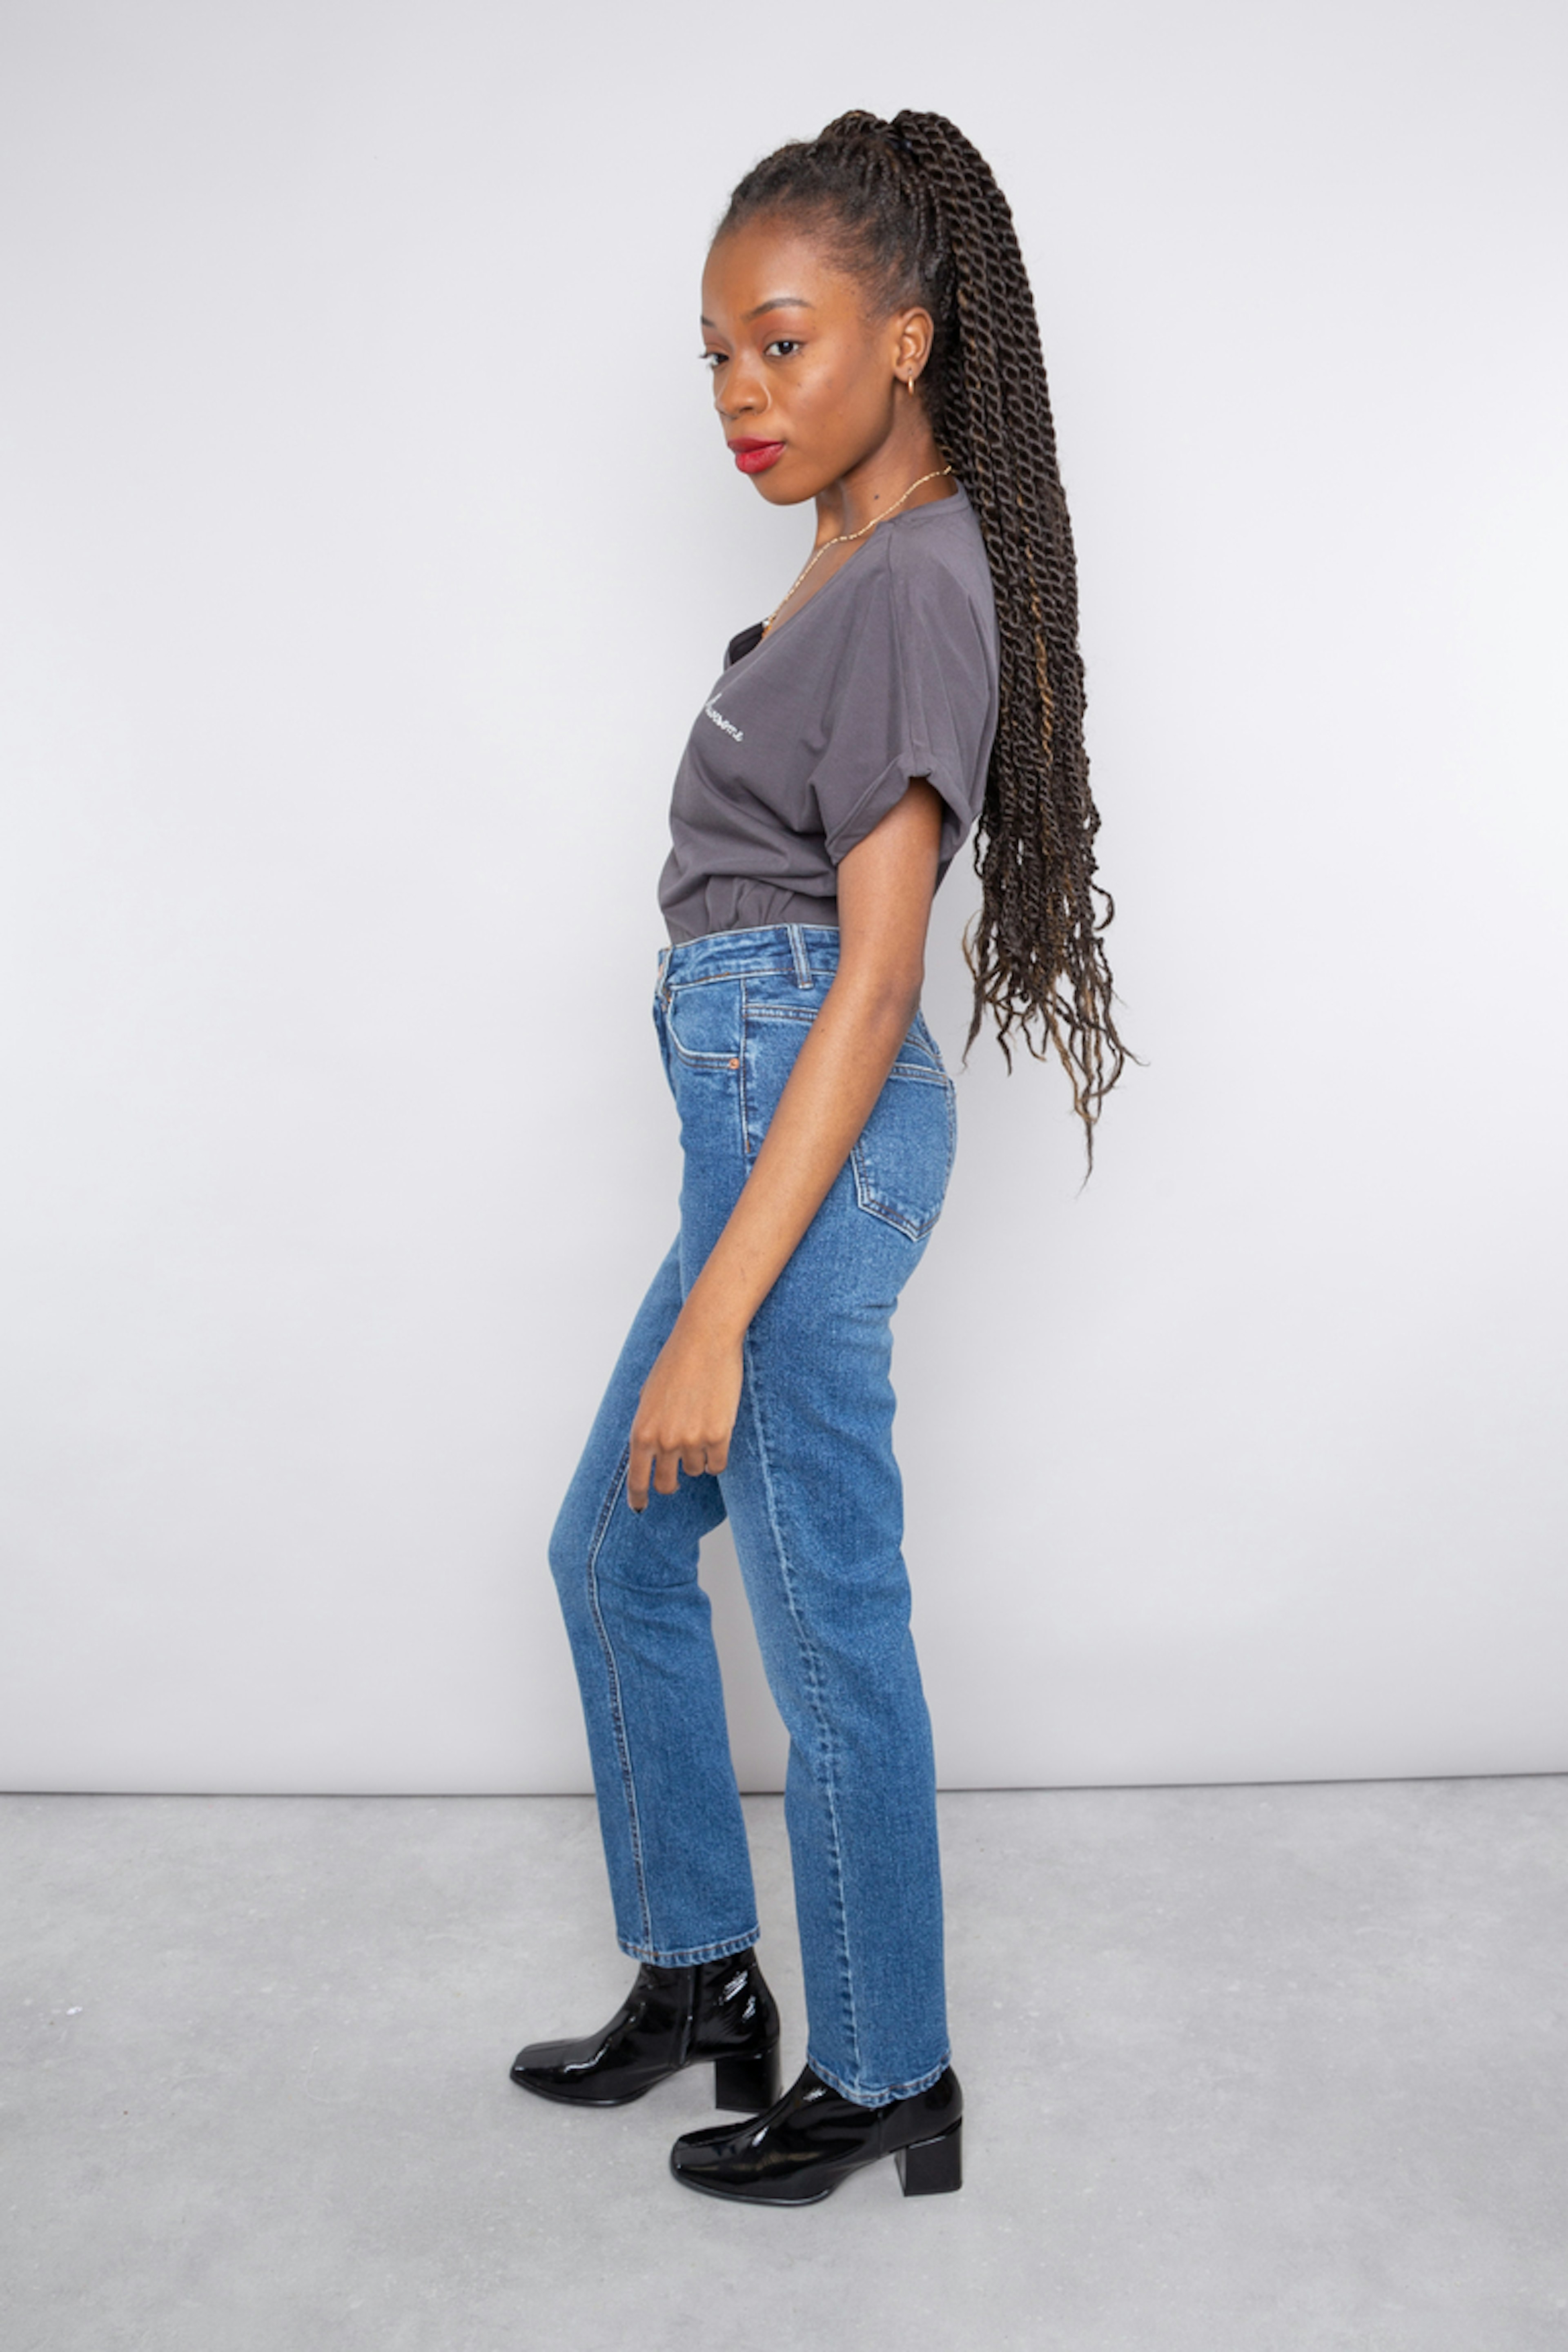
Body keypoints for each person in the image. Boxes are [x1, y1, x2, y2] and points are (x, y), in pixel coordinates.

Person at [509, 108, 1125, 2207]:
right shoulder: (854, 558)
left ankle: (888, 2073)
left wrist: (723, 1314)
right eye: (717, 355)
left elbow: (872, 980)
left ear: (911, 340)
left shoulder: (925, 578)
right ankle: (705, 1972)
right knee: (613, 1554)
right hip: (756, 1110)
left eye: (784, 342)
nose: (741, 393)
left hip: (809, 1116)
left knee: (825, 1611)